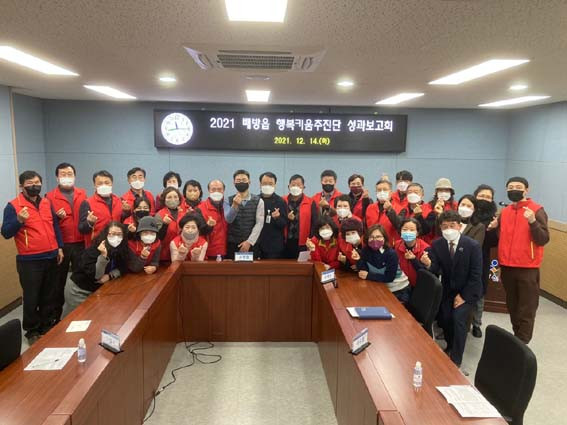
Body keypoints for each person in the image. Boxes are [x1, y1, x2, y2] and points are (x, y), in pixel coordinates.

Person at [2, 171, 64, 343]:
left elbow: (55, 226)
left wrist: (59, 247)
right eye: (30, 183)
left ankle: (46, 325)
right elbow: (6, 232)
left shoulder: (46, 202)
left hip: (51, 256)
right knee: (31, 296)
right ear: (21, 186)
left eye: (37, 182)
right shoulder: (13, 206)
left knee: (49, 294)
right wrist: (19, 220)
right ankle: (32, 331)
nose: (34, 185)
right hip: (29, 260)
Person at [487, 177, 549, 344]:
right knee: (512, 305)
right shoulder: (505, 212)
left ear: (526, 190)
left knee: (526, 308)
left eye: (518, 186)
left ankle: (522, 342)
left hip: (527, 268)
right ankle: (518, 338)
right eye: (510, 187)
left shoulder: (536, 210)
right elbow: (500, 237)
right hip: (507, 266)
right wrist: (493, 227)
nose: (514, 189)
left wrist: (533, 222)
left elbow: (543, 239)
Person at [427, 210, 482, 367]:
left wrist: (463, 296)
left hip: (468, 291)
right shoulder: (437, 244)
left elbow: (476, 274)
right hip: (448, 290)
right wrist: (428, 264)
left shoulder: (472, 246)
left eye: (452, 225)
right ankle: (450, 346)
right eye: (444, 226)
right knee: (444, 318)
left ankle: (456, 359)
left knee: (458, 319)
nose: (448, 229)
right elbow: (436, 268)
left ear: (459, 226)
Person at [46, 162, 87, 321]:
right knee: (58, 282)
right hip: (62, 245)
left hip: (81, 243)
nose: (66, 177)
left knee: (81, 279)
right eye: (63, 174)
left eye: (69, 174)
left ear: (75, 176)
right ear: (57, 177)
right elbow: (47, 222)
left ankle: (81, 312)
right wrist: (57, 217)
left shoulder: (82, 194)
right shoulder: (49, 197)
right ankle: (55, 317)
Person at [62, 221, 130, 316]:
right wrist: (103, 256)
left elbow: (124, 267)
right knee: (76, 318)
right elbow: (97, 276)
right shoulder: (95, 249)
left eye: (119, 234)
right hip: (79, 290)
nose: (116, 237)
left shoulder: (120, 248)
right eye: (112, 234)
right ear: (106, 235)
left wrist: (110, 275)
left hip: (97, 290)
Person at [357, 224, 411, 304]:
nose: (375, 240)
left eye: (378, 237)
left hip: (399, 290)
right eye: (371, 237)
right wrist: (358, 260)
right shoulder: (365, 250)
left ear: (384, 238)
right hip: (380, 286)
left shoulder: (391, 254)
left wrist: (369, 276)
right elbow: (363, 271)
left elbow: (389, 277)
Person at [471, 184, 499, 338]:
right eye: (482, 196)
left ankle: (476, 324)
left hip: (482, 259)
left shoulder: (494, 218)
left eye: (488, 197)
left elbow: (493, 243)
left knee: (480, 292)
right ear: (475, 196)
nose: (484, 199)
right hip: (464, 257)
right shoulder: (468, 211)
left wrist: (492, 229)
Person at [225, 169, 264, 259]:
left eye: (244, 180)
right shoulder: (228, 200)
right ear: (234, 183)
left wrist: (249, 242)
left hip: (252, 244)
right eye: (238, 180)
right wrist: (234, 205)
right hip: (233, 243)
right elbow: (228, 220)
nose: (241, 182)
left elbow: (259, 223)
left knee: (252, 268)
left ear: (249, 182)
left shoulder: (259, 201)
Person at [78, 170, 123, 247]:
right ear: (94, 185)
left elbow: (122, 221)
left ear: (112, 183)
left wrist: (127, 212)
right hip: (96, 246)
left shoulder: (119, 201)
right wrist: (89, 223)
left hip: (117, 244)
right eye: (100, 183)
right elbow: (81, 229)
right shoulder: (87, 203)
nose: (104, 185)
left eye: (107, 182)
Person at [282, 174, 318, 259]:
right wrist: (287, 218)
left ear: (303, 187)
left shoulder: (310, 202)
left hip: (304, 243)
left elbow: (314, 223)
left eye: (298, 185)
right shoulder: (282, 200)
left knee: (302, 265)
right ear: (288, 186)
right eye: (293, 185)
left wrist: (311, 240)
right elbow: (278, 221)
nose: (296, 187)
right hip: (285, 242)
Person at [257, 172, 288, 259]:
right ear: (260, 184)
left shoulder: (280, 201)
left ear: (275, 185)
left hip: (274, 246)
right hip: (257, 244)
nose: (267, 186)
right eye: (264, 183)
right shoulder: (255, 200)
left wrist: (277, 218)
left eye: (270, 184)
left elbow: (284, 223)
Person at [393, 218, 431, 288]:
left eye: (412, 230)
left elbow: (426, 274)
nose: (408, 232)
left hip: (419, 286)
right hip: (401, 285)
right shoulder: (396, 245)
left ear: (417, 233)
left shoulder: (425, 248)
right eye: (405, 229)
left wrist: (414, 260)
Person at [198, 179, 228, 259]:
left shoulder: (229, 206)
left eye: (219, 189)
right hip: (210, 252)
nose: (216, 192)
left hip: (229, 250)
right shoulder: (200, 208)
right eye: (213, 189)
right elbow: (199, 232)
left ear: (223, 191)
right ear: (209, 191)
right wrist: (208, 226)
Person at [364, 179, 399, 245]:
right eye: (379, 190)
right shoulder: (370, 208)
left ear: (391, 192)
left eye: (385, 189)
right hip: (372, 245)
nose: (382, 192)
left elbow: (399, 226)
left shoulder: (399, 208)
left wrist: (390, 210)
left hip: (391, 245)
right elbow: (366, 228)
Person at [156, 187, 187, 261]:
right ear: (164, 200)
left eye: (175, 197)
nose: (173, 199)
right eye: (169, 197)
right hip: (164, 256)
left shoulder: (184, 214)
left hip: (181, 253)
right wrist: (165, 224)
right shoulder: (159, 215)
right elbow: (158, 237)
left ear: (179, 199)